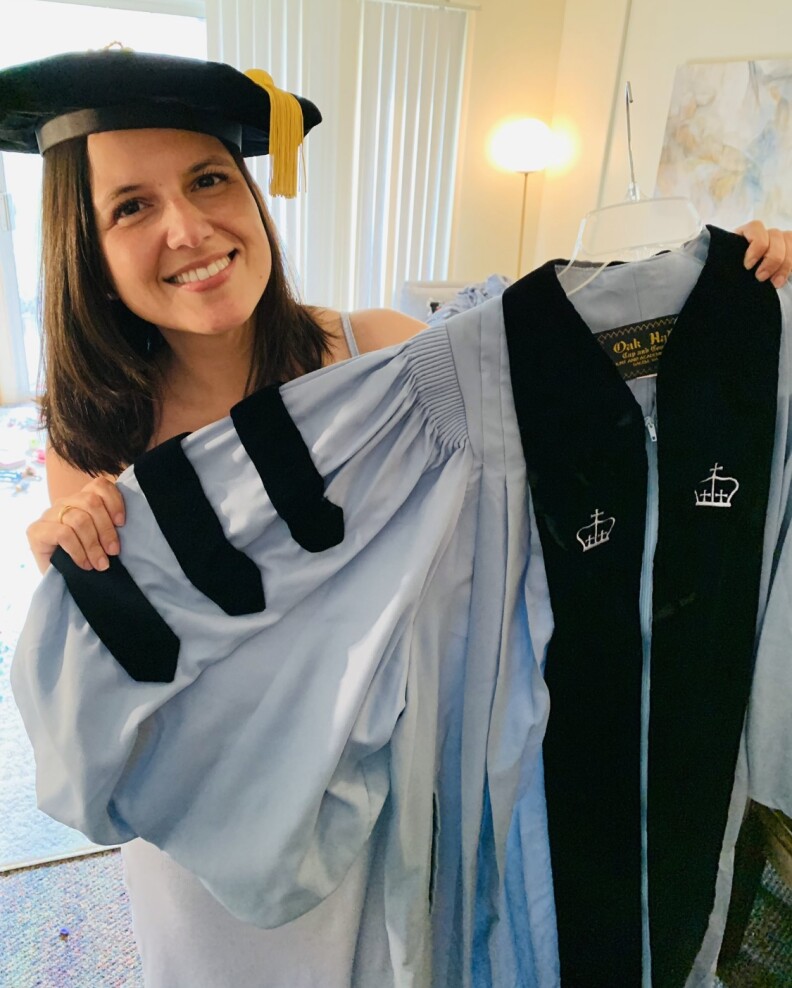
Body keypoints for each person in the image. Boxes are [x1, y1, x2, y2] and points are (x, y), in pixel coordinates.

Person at [4, 48, 792, 988]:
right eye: (130, 206)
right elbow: (104, 666)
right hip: (211, 815)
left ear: (253, 196)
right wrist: (63, 546)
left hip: (378, 790)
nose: (188, 227)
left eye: (211, 180)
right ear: (81, 243)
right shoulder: (91, 433)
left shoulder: (376, 357)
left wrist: (729, 300)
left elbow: (545, 388)